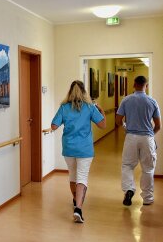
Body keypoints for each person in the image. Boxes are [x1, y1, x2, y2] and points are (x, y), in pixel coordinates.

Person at [51, 80, 106, 223]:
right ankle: (78, 209)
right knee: (82, 178)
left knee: (73, 177)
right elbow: (103, 125)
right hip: (85, 149)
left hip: (69, 148)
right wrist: (102, 111)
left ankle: (76, 201)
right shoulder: (90, 108)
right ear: (84, 92)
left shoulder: (64, 108)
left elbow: (54, 126)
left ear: (70, 92)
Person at [115, 76, 161, 206]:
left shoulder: (126, 100)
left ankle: (129, 189)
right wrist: (150, 135)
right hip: (147, 138)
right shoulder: (152, 102)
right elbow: (158, 126)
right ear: (146, 86)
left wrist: (125, 126)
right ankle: (147, 198)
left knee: (127, 165)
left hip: (131, 137)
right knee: (148, 168)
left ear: (134, 85)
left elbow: (118, 121)